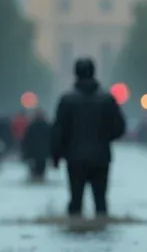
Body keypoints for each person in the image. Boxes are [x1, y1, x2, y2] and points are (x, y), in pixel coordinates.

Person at [51, 57, 127, 217]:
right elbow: (120, 128)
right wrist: (104, 138)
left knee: (75, 201)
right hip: (101, 157)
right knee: (101, 201)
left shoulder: (67, 101)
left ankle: (74, 230)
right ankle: (100, 228)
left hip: (74, 158)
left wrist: (56, 156)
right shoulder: (107, 100)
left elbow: (58, 131)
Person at [21, 109, 52, 181]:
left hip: (35, 150)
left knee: (36, 165)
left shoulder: (31, 126)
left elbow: (26, 139)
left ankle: (36, 177)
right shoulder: (47, 126)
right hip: (42, 150)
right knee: (40, 165)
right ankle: (39, 177)